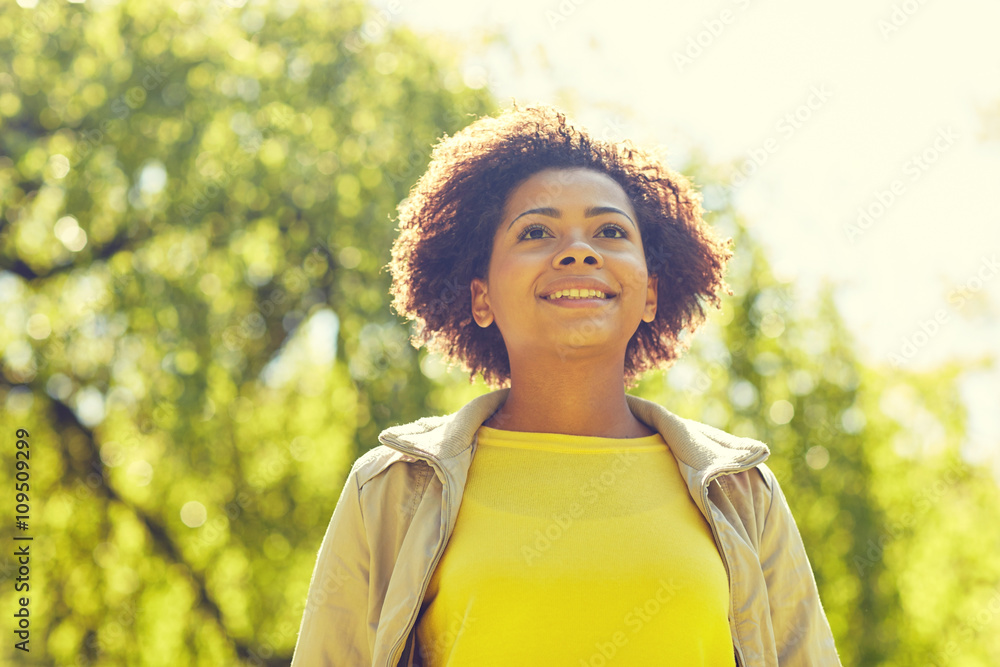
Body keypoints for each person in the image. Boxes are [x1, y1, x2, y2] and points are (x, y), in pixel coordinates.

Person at [290, 104, 841, 666]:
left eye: (609, 230)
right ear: (481, 296)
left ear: (650, 292)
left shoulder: (742, 491)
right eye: (536, 231)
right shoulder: (391, 489)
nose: (579, 250)